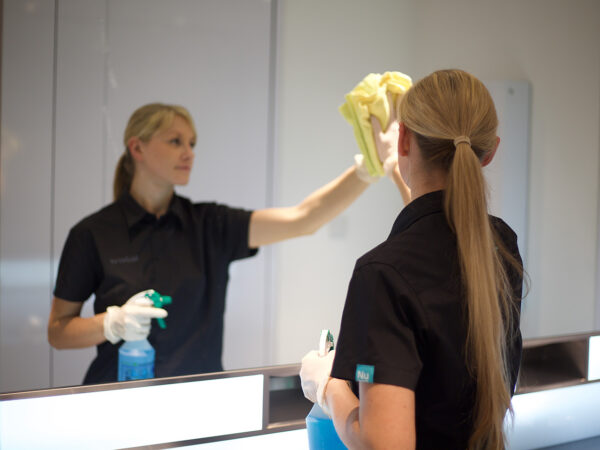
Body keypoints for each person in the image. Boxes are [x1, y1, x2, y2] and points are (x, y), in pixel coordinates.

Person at [47, 102, 408, 385]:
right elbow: (58, 331)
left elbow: (303, 219)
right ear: (137, 147)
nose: (188, 152)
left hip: (201, 401)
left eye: (192, 143)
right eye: (175, 142)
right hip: (116, 397)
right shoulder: (92, 234)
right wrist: (113, 323)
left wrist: (367, 170)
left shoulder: (209, 225)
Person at [300, 69, 525, 449]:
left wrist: (329, 387)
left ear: (403, 138)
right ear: (490, 152)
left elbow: (383, 444)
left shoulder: (382, 274)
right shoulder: (500, 246)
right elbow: (440, 245)